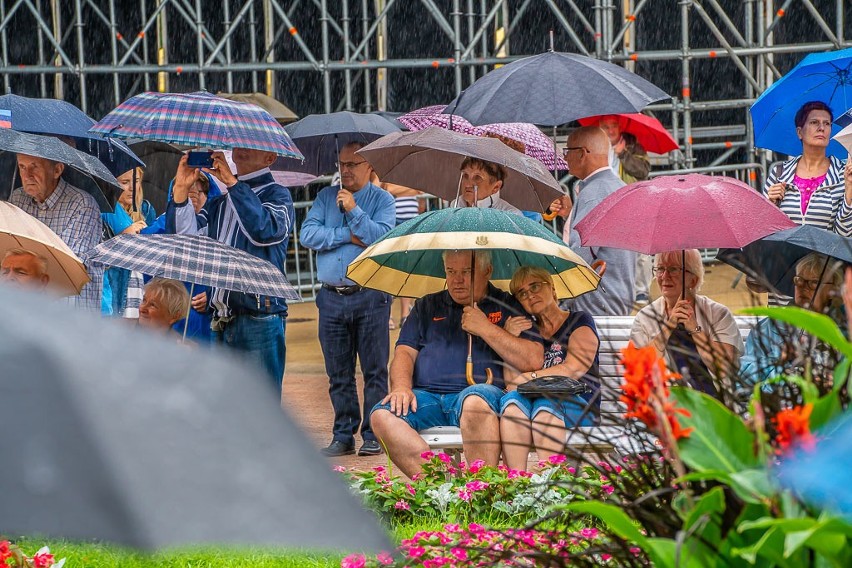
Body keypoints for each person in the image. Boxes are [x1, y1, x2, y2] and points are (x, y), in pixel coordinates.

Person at [370, 250, 543, 478]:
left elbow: (533, 359)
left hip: (479, 396)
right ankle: (442, 490)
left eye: (466, 272)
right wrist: (401, 387)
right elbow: (404, 352)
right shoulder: (426, 305)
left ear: (487, 271)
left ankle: (482, 491)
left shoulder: (508, 305)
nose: (457, 279)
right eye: (451, 272)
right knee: (382, 416)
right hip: (427, 398)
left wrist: (485, 328)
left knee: (474, 400)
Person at [167, 148, 294, 389]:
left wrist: (232, 183)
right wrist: (181, 191)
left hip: (259, 316)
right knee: (226, 407)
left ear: (270, 158)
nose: (243, 149)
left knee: (261, 406)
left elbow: (263, 232)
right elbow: (186, 243)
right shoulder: (219, 203)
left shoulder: (278, 195)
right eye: (240, 144)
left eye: (252, 145)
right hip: (221, 318)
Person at [300, 142, 396, 457]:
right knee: (338, 372)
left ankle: (373, 432)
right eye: (342, 164)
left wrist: (354, 211)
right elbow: (307, 235)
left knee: (374, 369)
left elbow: (380, 239)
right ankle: (343, 434)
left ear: (369, 166)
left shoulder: (382, 200)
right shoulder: (325, 198)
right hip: (330, 296)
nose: (346, 171)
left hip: (369, 294)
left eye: (353, 164)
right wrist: (344, 236)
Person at [499, 266, 601, 471]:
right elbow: (512, 383)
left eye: (535, 286)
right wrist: (510, 338)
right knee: (512, 406)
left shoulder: (579, 320)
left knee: (545, 407)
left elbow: (574, 367)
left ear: (553, 289)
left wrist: (531, 377)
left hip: (578, 404)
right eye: (522, 293)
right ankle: (514, 485)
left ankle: (550, 488)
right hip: (534, 404)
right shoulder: (528, 331)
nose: (530, 295)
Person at [631, 249, 743, 398]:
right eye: (660, 269)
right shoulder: (645, 317)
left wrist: (694, 328)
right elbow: (640, 369)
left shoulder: (718, 314)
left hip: (713, 406)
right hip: (665, 407)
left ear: (693, 280)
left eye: (673, 269)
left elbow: (723, 368)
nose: (665, 276)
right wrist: (669, 326)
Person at [549, 126, 637, 316]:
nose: (565, 158)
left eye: (567, 151)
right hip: (616, 297)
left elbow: (578, 258)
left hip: (595, 306)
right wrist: (571, 214)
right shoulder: (617, 187)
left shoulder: (594, 194)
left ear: (581, 153)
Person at [9, 154, 102, 311]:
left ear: (57, 170)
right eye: (22, 167)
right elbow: (9, 255)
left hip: (71, 314)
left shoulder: (82, 204)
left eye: (34, 166)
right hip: (26, 311)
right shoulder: (17, 199)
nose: (26, 175)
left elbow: (64, 265)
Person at [741, 253, 844, 386]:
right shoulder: (768, 327)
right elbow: (743, 379)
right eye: (799, 280)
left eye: (814, 282)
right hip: (778, 404)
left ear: (834, 288)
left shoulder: (844, 331)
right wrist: (780, 358)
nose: (803, 287)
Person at [763, 101, 852, 236]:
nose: (821, 128)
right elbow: (763, 230)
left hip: (826, 257)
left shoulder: (843, 175)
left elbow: (843, 236)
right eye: (814, 122)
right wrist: (770, 205)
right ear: (799, 132)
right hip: (788, 256)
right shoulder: (779, 174)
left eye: (827, 123)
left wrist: (850, 191)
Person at [598, 115, 653, 306]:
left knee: (640, 251)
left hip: (633, 201)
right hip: (606, 204)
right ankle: (616, 289)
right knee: (611, 249)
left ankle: (641, 292)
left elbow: (643, 171)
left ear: (619, 127)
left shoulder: (632, 143)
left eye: (614, 126)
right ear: (599, 127)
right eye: (606, 126)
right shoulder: (597, 147)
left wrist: (624, 154)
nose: (611, 130)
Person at [101, 167, 157, 319]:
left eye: (136, 181)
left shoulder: (146, 209)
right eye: (125, 182)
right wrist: (131, 232)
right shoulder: (106, 207)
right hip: (117, 282)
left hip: (139, 281)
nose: (132, 188)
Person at [449, 157, 522, 215]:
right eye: (465, 175)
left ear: (496, 187)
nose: (467, 184)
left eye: (477, 177)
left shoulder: (511, 216)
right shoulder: (454, 207)